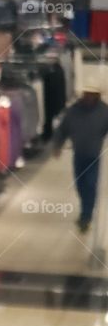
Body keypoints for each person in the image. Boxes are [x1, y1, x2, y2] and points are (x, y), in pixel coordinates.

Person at [53, 76, 108, 232]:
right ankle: (85, 209)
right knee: (80, 185)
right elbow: (63, 129)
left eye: (92, 94)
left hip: (94, 155)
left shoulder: (104, 111)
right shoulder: (73, 110)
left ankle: (86, 216)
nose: (89, 97)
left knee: (90, 185)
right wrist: (57, 145)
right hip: (78, 154)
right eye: (87, 93)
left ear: (97, 95)